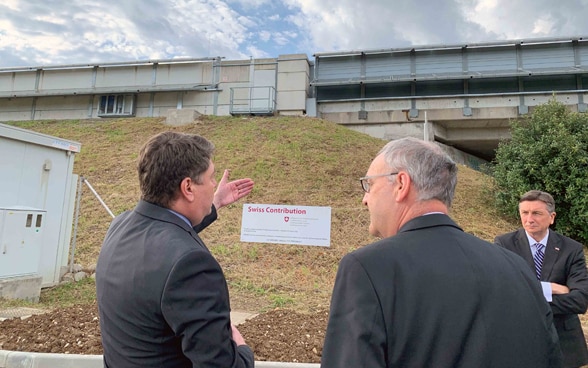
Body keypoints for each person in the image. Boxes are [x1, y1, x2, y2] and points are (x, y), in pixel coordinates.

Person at [321, 137, 562, 368]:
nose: (365, 199)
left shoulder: (368, 268)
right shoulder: (517, 267)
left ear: (401, 184)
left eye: (369, 184)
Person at [95, 131, 255, 368]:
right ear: (188, 187)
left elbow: (164, 237)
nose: (214, 185)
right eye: (211, 178)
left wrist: (215, 203)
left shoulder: (120, 226)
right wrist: (242, 350)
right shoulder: (191, 266)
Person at [495, 190, 588, 368]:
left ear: (552, 217)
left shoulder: (572, 249)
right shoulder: (504, 244)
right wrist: (551, 288)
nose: (529, 219)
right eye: (525, 212)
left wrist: (526, 299)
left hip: (564, 344)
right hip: (519, 341)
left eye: (536, 213)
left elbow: (580, 301)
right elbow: (502, 292)